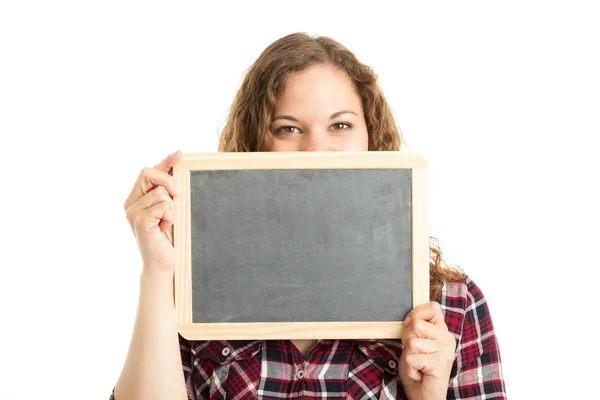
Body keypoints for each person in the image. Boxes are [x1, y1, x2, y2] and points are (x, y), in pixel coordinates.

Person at [111, 32, 506, 400]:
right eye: (288, 129)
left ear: (371, 138)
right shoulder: (195, 296)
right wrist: (158, 270)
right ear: (254, 146)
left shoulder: (452, 303)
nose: (317, 149)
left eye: (341, 124)